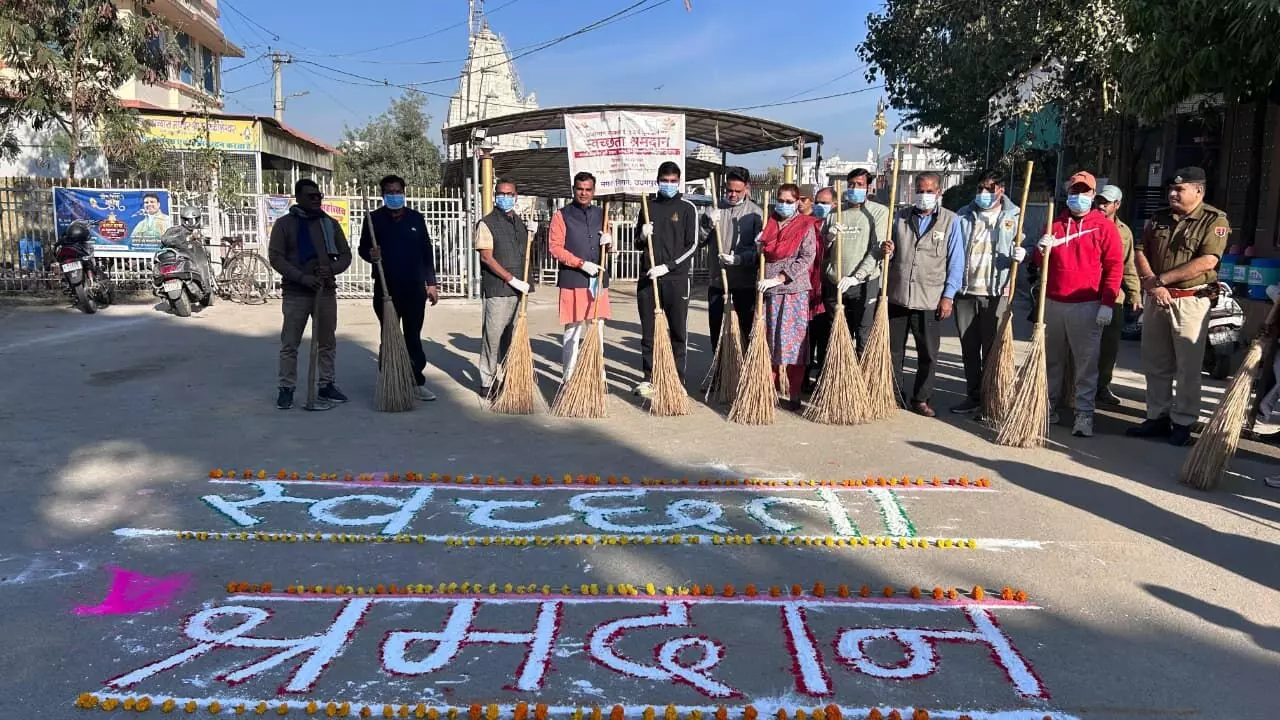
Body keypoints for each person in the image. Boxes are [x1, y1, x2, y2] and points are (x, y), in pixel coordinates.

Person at [1127, 167, 1230, 446]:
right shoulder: (1158, 217)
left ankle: (1183, 421)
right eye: (1171, 189)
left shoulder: (1213, 220)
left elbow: (1208, 261)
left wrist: (1161, 280)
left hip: (1190, 301)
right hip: (1156, 298)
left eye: (1179, 190)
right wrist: (1151, 282)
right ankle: (1157, 416)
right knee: (1155, 362)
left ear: (1198, 191)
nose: (1172, 193)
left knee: (1187, 366)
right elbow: (1140, 250)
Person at [1031, 171, 1123, 438]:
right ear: (1068, 193)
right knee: (1051, 360)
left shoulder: (1103, 226)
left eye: (1084, 192)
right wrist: (1040, 249)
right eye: (1074, 192)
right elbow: (1039, 263)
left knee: (1086, 363)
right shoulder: (1055, 223)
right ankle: (1047, 406)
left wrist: (1107, 302)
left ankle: (1084, 414)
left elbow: (1114, 267)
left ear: (1093, 195)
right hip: (1053, 302)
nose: (1079, 197)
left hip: (1087, 304)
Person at [882, 172, 963, 417]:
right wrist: (889, 251)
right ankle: (894, 393)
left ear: (938, 192)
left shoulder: (951, 221)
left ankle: (921, 398)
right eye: (920, 190)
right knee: (894, 350)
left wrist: (948, 295)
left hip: (929, 297)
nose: (924, 195)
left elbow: (956, 261)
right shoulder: (900, 218)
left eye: (929, 191)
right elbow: (892, 254)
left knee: (928, 352)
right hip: (899, 294)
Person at [269, 178, 352, 410]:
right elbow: (276, 257)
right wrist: (302, 277)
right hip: (296, 293)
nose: (316, 200)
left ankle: (326, 384)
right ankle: (286, 388)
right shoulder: (285, 225)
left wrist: (331, 269)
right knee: (290, 344)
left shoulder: (330, 224)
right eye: (311, 196)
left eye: (319, 196)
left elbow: (345, 255)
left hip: (325, 292)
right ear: (298, 198)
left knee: (327, 342)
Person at [949, 170, 1026, 415]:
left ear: (1000, 190)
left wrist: (1021, 253)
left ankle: (991, 399)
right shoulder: (963, 215)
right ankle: (973, 395)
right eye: (980, 188)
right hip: (966, 290)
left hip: (996, 292)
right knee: (969, 348)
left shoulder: (1014, 216)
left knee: (993, 349)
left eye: (989, 189)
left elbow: (1029, 245)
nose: (983, 193)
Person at [358, 174, 440, 402]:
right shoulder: (373, 219)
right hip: (386, 289)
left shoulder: (416, 218)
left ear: (404, 192)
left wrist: (431, 284)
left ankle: (416, 381)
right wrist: (371, 255)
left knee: (413, 336)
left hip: (414, 288)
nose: (394, 196)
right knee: (389, 334)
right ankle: (391, 379)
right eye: (389, 192)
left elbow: (426, 252)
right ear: (383, 195)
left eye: (398, 191)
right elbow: (363, 248)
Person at [814, 169, 890, 372]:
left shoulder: (878, 212)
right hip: (835, 283)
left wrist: (856, 277)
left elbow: (877, 249)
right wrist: (828, 238)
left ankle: (864, 380)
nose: (854, 188)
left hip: (864, 284)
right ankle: (839, 378)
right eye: (851, 184)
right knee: (837, 335)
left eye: (859, 184)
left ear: (868, 188)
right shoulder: (835, 214)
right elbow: (821, 250)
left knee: (863, 334)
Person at [634, 161, 698, 398]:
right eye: (665, 181)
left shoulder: (687, 208)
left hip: (676, 279)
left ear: (679, 182)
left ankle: (677, 378)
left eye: (673, 181)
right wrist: (642, 234)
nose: (668, 185)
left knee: (678, 331)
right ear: (657, 180)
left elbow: (692, 246)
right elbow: (636, 242)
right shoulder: (647, 205)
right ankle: (649, 378)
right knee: (648, 332)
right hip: (648, 279)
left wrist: (668, 267)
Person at [758, 183, 818, 411]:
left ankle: (793, 394)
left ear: (797, 203)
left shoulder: (805, 225)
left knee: (793, 344)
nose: (783, 205)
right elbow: (764, 255)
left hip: (794, 291)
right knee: (770, 341)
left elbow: (807, 257)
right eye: (780, 200)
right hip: (769, 291)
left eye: (789, 202)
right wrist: (759, 247)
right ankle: (769, 390)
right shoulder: (769, 223)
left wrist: (782, 277)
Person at [548, 171, 612, 382]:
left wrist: (609, 242)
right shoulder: (561, 215)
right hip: (573, 280)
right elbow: (555, 248)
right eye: (580, 189)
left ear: (593, 191)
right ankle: (569, 379)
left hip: (598, 281)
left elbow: (610, 248)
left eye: (588, 189)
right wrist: (581, 264)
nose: (584, 193)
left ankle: (598, 377)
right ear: (573, 189)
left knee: (597, 331)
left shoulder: (602, 214)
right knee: (572, 332)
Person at [474, 179, 532, 395]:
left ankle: (512, 377)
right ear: (495, 195)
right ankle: (487, 382)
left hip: (521, 290)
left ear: (516, 197)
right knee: (493, 337)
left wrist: (532, 234)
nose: (505, 197)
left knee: (514, 337)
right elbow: (487, 258)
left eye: (509, 194)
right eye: (501, 193)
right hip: (498, 290)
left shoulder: (519, 222)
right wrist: (510, 279)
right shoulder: (486, 223)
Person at [1094, 184, 1142, 406]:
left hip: (1114, 296)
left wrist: (1134, 293)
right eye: (1099, 201)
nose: (1102, 205)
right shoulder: (1087, 223)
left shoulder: (1124, 232)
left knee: (1109, 345)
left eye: (1107, 202)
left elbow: (1128, 265)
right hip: (1087, 294)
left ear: (1117, 205)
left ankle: (1102, 386)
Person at [704, 168, 762, 354]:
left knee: (743, 334)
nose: (733, 194)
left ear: (747, 188)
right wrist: (708, 224)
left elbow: (760, 252)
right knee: (717, 335)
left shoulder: (756, 214)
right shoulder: (714, 208)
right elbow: (698, 241)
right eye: (729, 190)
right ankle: (719, 378)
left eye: (738, 191)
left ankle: (741, 376)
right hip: (718, 283)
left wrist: (739, 259)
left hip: (743, 285)